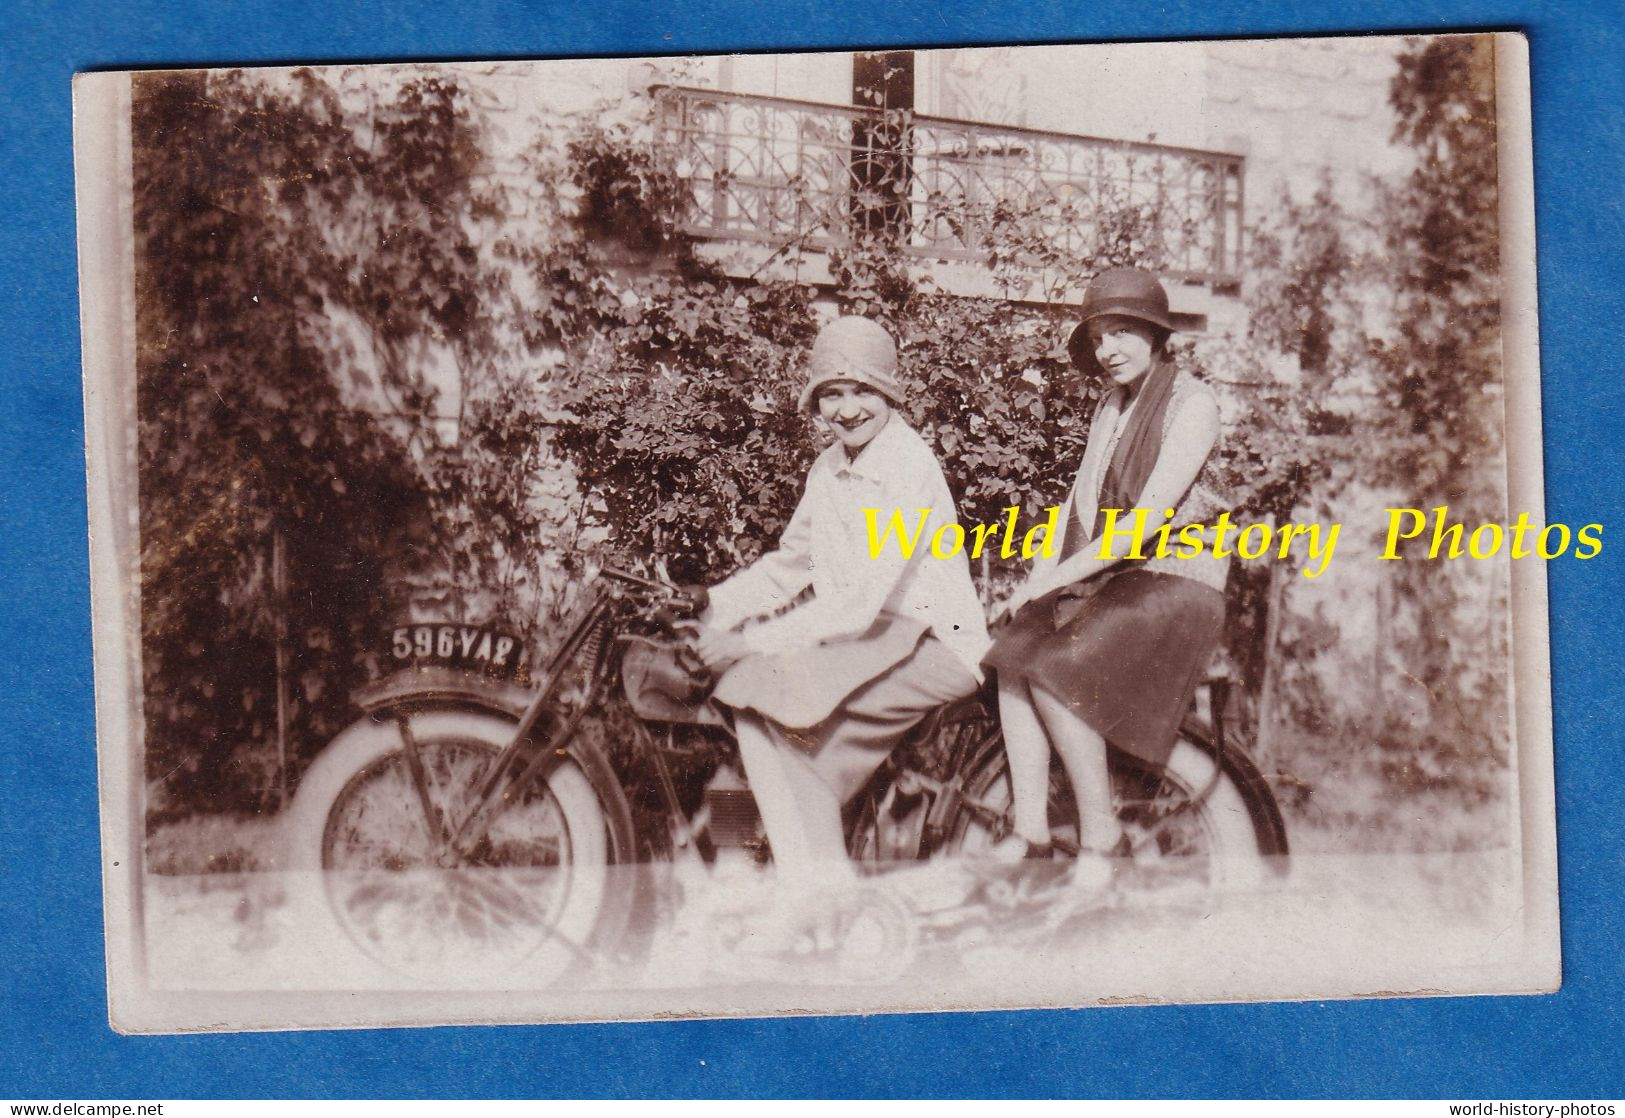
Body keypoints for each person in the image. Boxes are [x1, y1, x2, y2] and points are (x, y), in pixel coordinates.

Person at [692, 315, 991, 898]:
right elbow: (791, 563)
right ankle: (752, 880)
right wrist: (716, 607)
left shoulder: (908, 466)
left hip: (933, 643)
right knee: (746, 722)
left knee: (782, 732)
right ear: (816, 400)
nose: (848, 409)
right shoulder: (829, 466)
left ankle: (823, 899)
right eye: (833, 393)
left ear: (888, 395)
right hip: (871, 639)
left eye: (864, 392)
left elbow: (859, 599)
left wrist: (748, 641)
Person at [983, 267, 1231, 889]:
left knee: (1056, 671)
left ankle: (1103, 838)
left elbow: (1144, 523)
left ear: (1155, 334)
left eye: (1122, 332)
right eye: (1098, 337)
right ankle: (1031, 832)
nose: (1109, 350)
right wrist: (1033, 581)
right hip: (1118, 573)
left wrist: (1055, 580)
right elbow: (1078, 505)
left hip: (1176, 577)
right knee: (1013, 655)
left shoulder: (1192, 404)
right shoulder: (1111, 403)